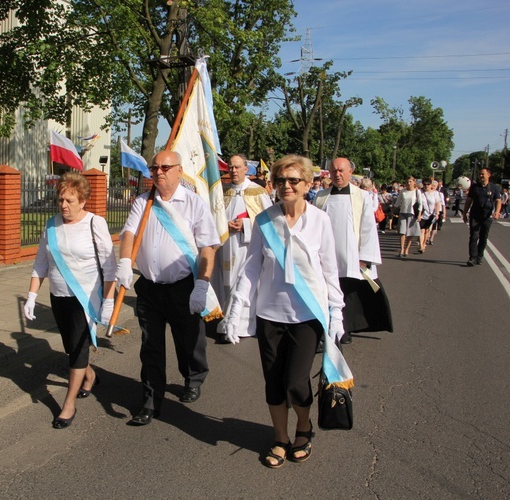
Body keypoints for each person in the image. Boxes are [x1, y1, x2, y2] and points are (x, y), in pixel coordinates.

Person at [223, 155, 345, 468]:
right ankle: (280, 438)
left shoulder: (320, 220)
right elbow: (251, 269)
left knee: (296, 380)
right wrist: (236, 311)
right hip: (270, 315)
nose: (286, 186)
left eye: (293, 181)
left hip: (307, 315)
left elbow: (331, 271)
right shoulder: (264, 220)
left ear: (307, 185)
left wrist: (337, 314)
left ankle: (304, 427)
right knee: (274, 382)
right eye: (280, 180)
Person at [117, 150, 220, 426]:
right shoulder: (143, 202)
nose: (158, 172)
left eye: (165, 167)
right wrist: (125, 262)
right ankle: (151, 401)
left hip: (183, 286)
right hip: (150, 288)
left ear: (179, 170)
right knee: (150, 346)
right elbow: (129, 233)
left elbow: (208, 247)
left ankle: (193, 376)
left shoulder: (194, 204)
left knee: (188, 340)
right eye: (155, 168)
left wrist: (202, 284)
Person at [24, 172, 117, 429]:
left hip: (85, 298)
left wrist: (108, 301)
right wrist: (32, 295)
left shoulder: (94, 224)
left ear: (83, 200)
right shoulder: (51, 224)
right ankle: (90, 375)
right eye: (61, 200)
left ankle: (68, 404)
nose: (64, 205)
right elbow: (41, 261)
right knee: (71, 346)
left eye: (69, 200)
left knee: (77, 348)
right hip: (58, 295)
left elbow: (110, 267)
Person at [314, 158, 393, 344]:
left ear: (350, 172)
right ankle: (325, 327)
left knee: (347, 291)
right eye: (333, 171)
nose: (337, 174)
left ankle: (345, 328)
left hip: (350, 252)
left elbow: (368, 228)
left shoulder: (362, 196)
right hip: (326, 251)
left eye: (341, 170)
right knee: (325, 290)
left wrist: (365, 256)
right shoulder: (320, 196)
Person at [213, 154, 272, 341]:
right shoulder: (223, 192)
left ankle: (243, 325)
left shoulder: (258, 192)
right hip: (227, 245)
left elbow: (268, 221)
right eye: (230, 167)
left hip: (248, 247)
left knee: (243, 283)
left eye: (237, 167)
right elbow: (213, 217)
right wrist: (224, 225)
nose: (233, 170)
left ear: (246, 169)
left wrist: (245, 224)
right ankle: (226, 323)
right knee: (227, 283)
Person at [462, 167, 502, 266]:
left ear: (488, 175)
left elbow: (498, 201)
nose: (480, 176)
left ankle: (479, 256)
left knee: (483, 237)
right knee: (474, 236)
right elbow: (469, 200)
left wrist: (497, 212)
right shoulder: (474, 187)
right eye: (480, 174)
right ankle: (472, 258)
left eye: (482, 174)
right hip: (475, 215)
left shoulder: (494, 188)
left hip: (487, 216)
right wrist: (464, 213)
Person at [394, 176, 422, 257]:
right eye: (407, 181)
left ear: (414, 182)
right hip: (403, 212)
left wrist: (419, 214)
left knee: (410, 233)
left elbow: (420, 203)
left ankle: (407, 249)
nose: (408, 183)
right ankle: (402, 249)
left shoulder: (417, 192)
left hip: (412, 213)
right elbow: (398, 201)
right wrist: (394, 209)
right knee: (402, 232)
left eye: (410, 181)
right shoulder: (403, 191)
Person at [418, 178, 441, 253]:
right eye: (424, 184)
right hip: (422, 214)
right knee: (421, 230)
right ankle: (421, 246)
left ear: (431, 185)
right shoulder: (420, 192)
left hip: (431, 214)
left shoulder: (435, 193)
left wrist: (437, 213)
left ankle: (424, 243)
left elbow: (437, 204)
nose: (426, 186)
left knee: (427, 230)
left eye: (428, 184)